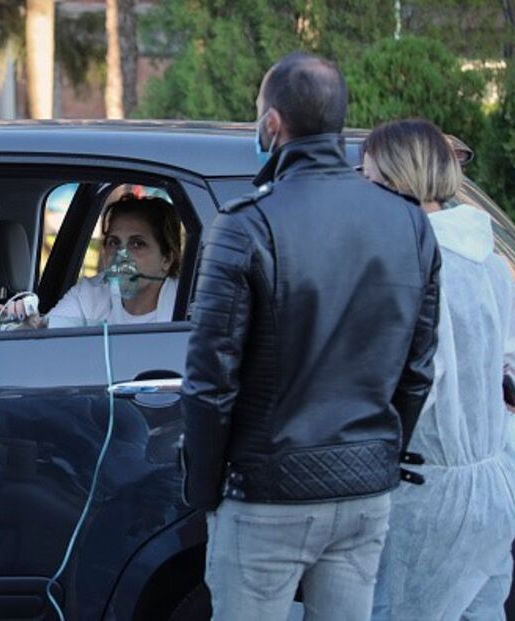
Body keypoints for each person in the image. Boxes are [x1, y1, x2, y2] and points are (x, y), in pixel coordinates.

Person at [181, 53, 441, 621]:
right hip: (364, 492)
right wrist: (383, 455)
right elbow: (418, 367)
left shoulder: (245, 224)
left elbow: (209, 379)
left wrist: (204, 491)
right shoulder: (409, 222)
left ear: (272, 124)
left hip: (268, 493)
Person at [363, 119, 515, 620]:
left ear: (400, 180)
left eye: (371, 178)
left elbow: (412, 382)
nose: (365, 191)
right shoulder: (483, 257)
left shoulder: (413, 260)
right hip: (494, 486)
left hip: (428, 495)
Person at [0, 194, 181, 328]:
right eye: (113, 243)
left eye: (137, 244)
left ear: (167, 259)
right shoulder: (91, 294)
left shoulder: (188, 307)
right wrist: (30, 324)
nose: (121, 255)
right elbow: (49, 335)